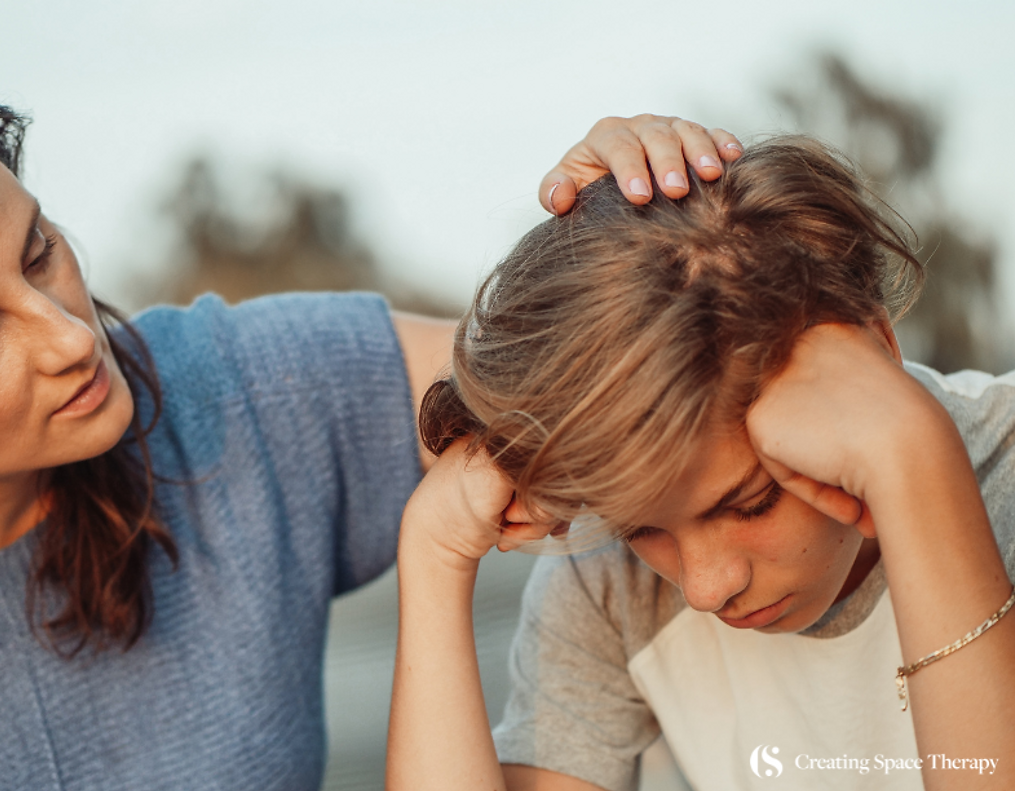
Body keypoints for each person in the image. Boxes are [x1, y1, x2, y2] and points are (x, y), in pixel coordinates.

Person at [0, 79, 741, 789]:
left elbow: (600, 370)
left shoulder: (242, 388)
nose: (70, 336)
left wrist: (645, 231)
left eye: (37, 252)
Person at [387, 137, 1015, 790]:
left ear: (877, 352)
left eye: (748, 503)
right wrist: (433, 553)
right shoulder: (611, 584)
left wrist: (913, 457)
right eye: (642, 528)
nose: (704, 587)